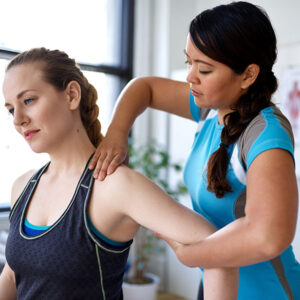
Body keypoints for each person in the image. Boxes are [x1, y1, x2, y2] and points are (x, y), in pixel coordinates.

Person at [89, 1, 300, 299]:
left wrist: (191, 255)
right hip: (215, 280)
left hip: (267, 292)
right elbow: (144, 88)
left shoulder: (265, 135)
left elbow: (269, 238)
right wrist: (116, 133)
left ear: (248, 75)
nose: (190, 76)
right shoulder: (212, 111)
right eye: (189, 62)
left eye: (204, 69)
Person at [0, 47, 239, 300]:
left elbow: (220, 252)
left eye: (28, 100)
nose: (19, 119)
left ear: (71, 95)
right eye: (11, 109)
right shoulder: (23, 187)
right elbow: (12, 276)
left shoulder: (115, 186)